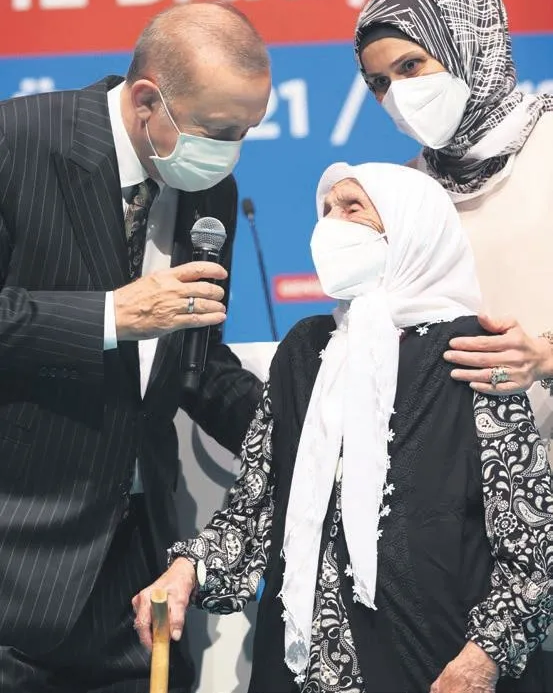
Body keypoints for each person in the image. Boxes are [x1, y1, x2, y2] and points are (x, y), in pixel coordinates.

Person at [133, 161, 553, 693]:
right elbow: (254, 512)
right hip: (296, 669)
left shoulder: (471, 351)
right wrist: (188, 569)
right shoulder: (305, 350)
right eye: (326, 211)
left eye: (353, 209)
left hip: (437, 667)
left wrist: (483, 657)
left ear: (412, 228)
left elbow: (535, 544)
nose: (332, 224)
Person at [0, 0, 271, 692]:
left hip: (137, 575)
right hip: (16, 557)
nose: (231, 151)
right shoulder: (16, 140)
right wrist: (107, 316)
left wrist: (301, 423)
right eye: (219, 131)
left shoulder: (209, 191)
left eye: (247, 132)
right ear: (147, 99)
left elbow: (197, 364)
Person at [354, 0, 553, 458]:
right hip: (471, 474)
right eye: (379, 83)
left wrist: (543, 357)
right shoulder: (406, 191)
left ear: (466, 46)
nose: (397, 95)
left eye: (410, 66)